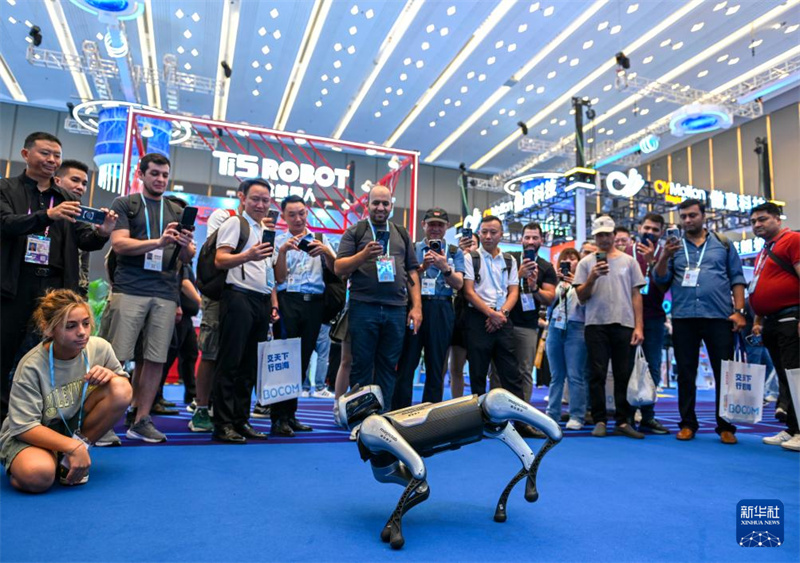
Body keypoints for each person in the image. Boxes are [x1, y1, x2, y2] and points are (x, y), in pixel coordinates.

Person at [1, 133, 116, 422]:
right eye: (45, 154)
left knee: (49, 356)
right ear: (26, 154)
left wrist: (103, 232)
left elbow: (83, 240)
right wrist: (48, 216)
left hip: (54, 288)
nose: (52, 160)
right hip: (14, 284)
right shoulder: (6, 188)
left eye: (56, 155)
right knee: (5, 354)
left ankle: (41, 422)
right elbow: (6, 224)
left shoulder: (65, 197)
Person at [0, 289, 131, 492]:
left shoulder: (100, 348)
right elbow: (24, 427)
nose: (82, 332)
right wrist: (73, 446)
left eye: (86, 323)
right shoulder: (31, 366)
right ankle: (42, 460)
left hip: (69, 426)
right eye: (71, 326)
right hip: (30, 433)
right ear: (48, 329)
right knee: (39, 477)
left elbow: (123, 389)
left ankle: (65, 455)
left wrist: (110, 375)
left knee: (120, 387)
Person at [105, 153, 195, 443]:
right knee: (116, 358)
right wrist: (158, 242)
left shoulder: (176, 209)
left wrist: (183, 245)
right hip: (130, 288)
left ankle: (141, 419)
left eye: (164, 174)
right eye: (154, 173)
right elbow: (119, 244)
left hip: (166, 292)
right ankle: (103, 421)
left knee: (155, 358)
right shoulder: (126, 204)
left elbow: (187, 256)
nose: (160, 179)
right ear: (141, 174)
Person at [654, 198, 746, 444]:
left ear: (703, 216)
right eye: (683, 216)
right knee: (685, 372)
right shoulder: (674, 247)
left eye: (692, 215)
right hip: (684, 317)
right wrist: (664, 256)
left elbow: (737, 278)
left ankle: (726, 425)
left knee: (723, 373)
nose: (687, 220)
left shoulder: (723, 244)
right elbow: (660, 280)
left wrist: (739, 311)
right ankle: (687, 423)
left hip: (719, 316)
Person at [334, 185, 421, 411]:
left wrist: (417, 307)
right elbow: (339, 268)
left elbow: (412, 271)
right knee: (361, 365)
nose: (380, 207)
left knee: (389, 365)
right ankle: (360, 418)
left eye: (385, 203)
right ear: (368, 205)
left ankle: (382, 417)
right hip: (364, 306)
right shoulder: (355, 231)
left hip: (396, 308)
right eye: (376, 203)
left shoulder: (401, 233)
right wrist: (363, 255)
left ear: (391, 206)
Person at [211, 178, 277, 443]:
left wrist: (273, 302)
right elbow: (220, 259)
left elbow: (270, 270)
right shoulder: (234, 223)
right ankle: (223, 424)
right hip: (237, 297)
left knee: (250, 365)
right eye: (255, 199)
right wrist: (247, 255)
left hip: (260, 300)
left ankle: (241, 420)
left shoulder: (264, 230)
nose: (261, 204)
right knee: (231, 362)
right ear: (243, 198)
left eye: (265, 200)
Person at [462, 216, 538, 438]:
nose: (488, 236)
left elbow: (513, 290)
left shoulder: (509, 260)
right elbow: (468, 291)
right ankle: (478, 423)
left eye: (493, 232)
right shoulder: (471, 258)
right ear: (479, 232)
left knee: (511, 375)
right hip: (478, 318)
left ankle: (522, 423)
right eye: (484, 231)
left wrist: (502, 313)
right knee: (477, 373)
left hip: (503, 319)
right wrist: (490, 314)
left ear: (501, 234)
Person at [575, 215, 645, 439]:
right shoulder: (586, 263)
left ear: (614, 235)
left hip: (624, 323)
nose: (604, 239)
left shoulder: (629, 261)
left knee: (623, 374)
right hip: (595, 324)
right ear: (594, 237)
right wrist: (592, 277)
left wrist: (639, 326)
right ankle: (599, 419)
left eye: (607, 234)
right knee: (596, 374)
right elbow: (581, 296)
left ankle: (623, 420)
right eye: (599, 235)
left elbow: (636, 294)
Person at [272, 194, 337, 434]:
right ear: (283, 217)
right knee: (285, 362)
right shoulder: (279, 241)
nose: (298, 219)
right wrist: (283, 252)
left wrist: (326, 253)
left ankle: (291, 415)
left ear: (307, 213)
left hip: (314, 305)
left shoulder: (321, 239)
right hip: (289, 301)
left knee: (303, 359)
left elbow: (336, 271)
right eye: (292, 214)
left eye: (301, 213)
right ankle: (278, 418)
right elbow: (278, 278)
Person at [393, 208, 465, 410]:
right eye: (431, 224)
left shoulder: (453, 252)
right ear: (423, 225)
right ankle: (400, 411)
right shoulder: (412, 249)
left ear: (446, 227)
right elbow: (403, 279)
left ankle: (429, 414)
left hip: (442, 307)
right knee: (407, 362)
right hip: (414, 306)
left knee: (436, 366)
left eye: (440, 225)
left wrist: (445, 267)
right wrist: (422, 268)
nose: (435, 229)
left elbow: (459, 284)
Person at [748, 202, 799, 452]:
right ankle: (792, 428)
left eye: (763, 219)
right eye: (754, 221)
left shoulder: (792, 240)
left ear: (778, 219)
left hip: (791, 318)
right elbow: (758, 287)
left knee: (797, 375)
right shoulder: (765, 251)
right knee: (784, 377)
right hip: (771, 321)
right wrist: (758, 321)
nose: (757, 224)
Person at [628, 213, 670, 434]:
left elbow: (664, 287)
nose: (650, 232)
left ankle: (648, 416)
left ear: (661, 232)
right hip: (626, 316)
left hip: (654, 317)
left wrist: (654, 260)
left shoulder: (665, 254)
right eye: (647, 228)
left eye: (655, 230)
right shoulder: (627, 251)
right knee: (625, 366)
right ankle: (625, 417)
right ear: (639, 228)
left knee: (652, 367)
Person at [505, 222, 556, 399]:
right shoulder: (509, 259)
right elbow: (496, 288)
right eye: (527, 237)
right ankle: (495, 415)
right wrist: (517, 275)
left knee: (525, 371)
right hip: (504, 322)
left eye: (535, 237)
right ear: (521, 239)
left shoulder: (546, 267)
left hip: (528, 325)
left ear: (541, 240)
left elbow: (550, 298)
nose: (531, 241)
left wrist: (535, 288)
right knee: (497, 369)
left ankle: (524, 417)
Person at [545, 248, 587, 429]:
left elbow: (586, 305)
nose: (569, 261)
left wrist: (576, 284)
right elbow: (547, 304)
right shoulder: (555, 283)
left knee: (575, 375)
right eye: (565, 258)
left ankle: (577, 415)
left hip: (576, 327)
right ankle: (552, 413)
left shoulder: (584, 282)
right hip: (555, 326)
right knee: (556, 375)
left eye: (573, 258)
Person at [53, 160, 90, 296]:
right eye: (75, 180)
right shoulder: (42, 210)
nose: (80, 187)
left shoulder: (82, 217)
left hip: (68, 290)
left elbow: (84, 264)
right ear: (57, 181)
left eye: (84, 184)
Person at [449, 232, 478, 398]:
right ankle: (457, 405)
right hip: (458, 319)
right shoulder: (454, 262)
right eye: (466, 242)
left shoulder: (481, 263)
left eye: (473, 243)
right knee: (456, 369)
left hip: (478, 319)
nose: (469, 245)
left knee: (478, 369)